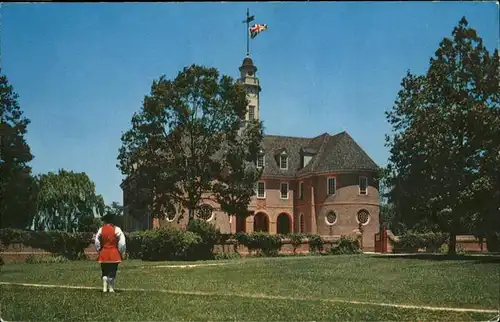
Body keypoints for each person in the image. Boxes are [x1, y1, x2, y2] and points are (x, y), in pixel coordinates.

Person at [94, 214, 126, 293]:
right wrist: (121, 251)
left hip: (104, 252)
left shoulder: (101, 229)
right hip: (114, 253)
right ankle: (111, 288)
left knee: (104, 270)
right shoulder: (117, 229)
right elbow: (122, 242)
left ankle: (104, 287)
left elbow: (96, 241)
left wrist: (99, 250)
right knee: (112, 270)